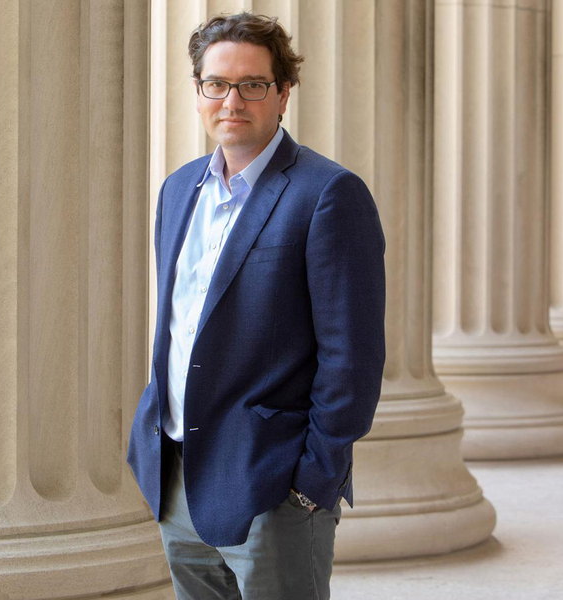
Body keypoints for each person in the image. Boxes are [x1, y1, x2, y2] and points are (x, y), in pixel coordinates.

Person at [127, 11, 385, 600]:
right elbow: (180, 325)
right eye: (216, 84)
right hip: (178, 475)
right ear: (198, 92)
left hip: (274, 486)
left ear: (283, 92)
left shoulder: (328, 194)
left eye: (252, 84)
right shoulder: (177, 189)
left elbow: (354, 357)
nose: (231, 99)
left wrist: (309, 481)